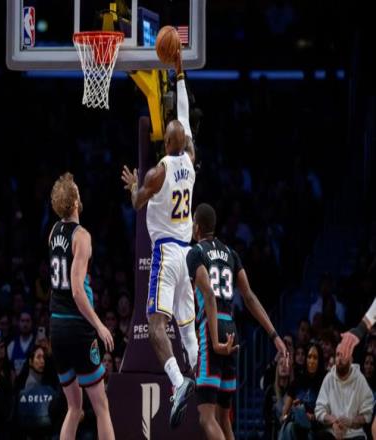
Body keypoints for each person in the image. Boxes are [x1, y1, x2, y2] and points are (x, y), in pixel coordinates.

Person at [121, 48, 198, 428]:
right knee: (187, 328)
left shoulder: (158, 172)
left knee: (154, 323)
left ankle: (179, 383)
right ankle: (200, 376)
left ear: (165, 144)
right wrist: (179, 72)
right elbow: (184, 115)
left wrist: (135, 186)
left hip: (166, 252)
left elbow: (138, 204)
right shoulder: (191, 161)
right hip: (188, 254)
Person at [186, 203, 287, 439]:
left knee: (206, 418)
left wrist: (214, 341)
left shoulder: (195, 253)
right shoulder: (231, 253)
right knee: (223, 418)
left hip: (212, 328)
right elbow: (249, 297)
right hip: (231, 327)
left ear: (197, 227)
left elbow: (208, 296)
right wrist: (274, 335)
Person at [48, 173, 115, 440]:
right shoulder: (82, 236)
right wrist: (99, 325)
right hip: (77, 326)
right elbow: (76, 290)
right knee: (101, 407)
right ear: (75, 201)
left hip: (56, 325)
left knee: (74, 408)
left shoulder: (53, 232)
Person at [315, 345, 374, 439]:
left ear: (351, 359)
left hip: (355, 434)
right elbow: (319, 410)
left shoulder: (360, 379)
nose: (339, 359)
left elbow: (367, 414)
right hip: (332, 431)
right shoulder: (329, 378)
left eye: (343, 355)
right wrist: (333, 422)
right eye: (337, 355)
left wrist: (351, 422)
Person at [280, 343, 325, 439]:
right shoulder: (297, 382)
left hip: (315, 427)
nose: (311, 361)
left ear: (320, 361)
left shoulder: (325, 382)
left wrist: (312, 416)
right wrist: (293, 409)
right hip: (297, 424)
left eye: (315, 358)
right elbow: (284, 415)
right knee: (289, 425)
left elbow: (328, 412)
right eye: (309, 357)